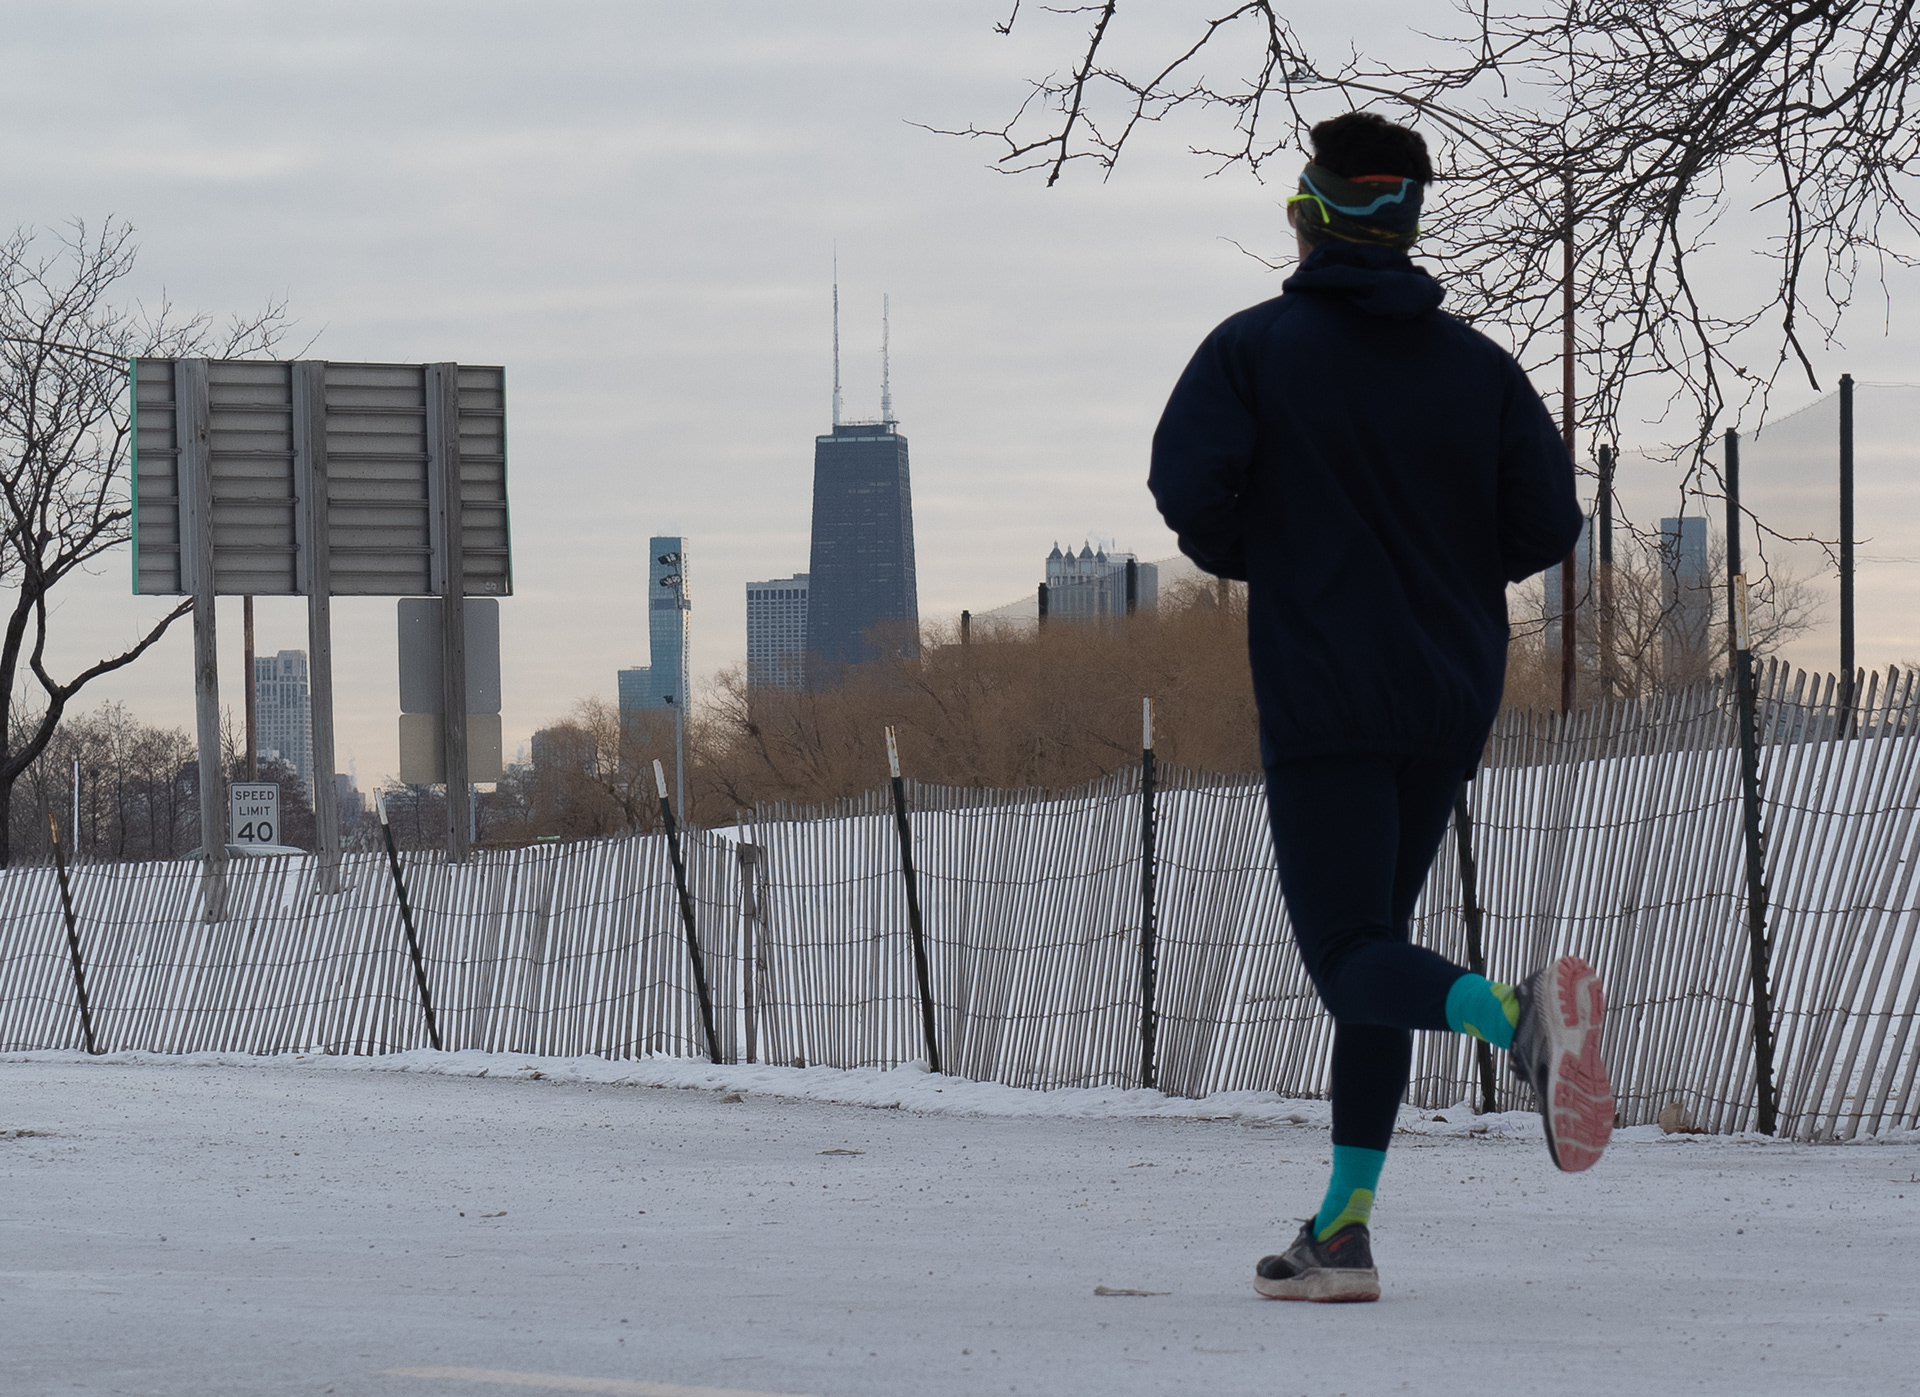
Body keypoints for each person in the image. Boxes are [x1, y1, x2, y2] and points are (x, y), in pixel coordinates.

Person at [1147, 111, 1614, 1304]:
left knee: (1351, 956)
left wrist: (1280, 547)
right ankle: (1342, 1231)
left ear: (1308, 215)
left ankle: (1510, 1013)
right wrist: (1443, 569)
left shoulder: (1253, 350)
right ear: (1407, 219)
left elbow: (1188, 489)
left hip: (1325, 688)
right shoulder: (1483, 369)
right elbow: (1546, 523)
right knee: (1380, 953)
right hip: (1449, 691)